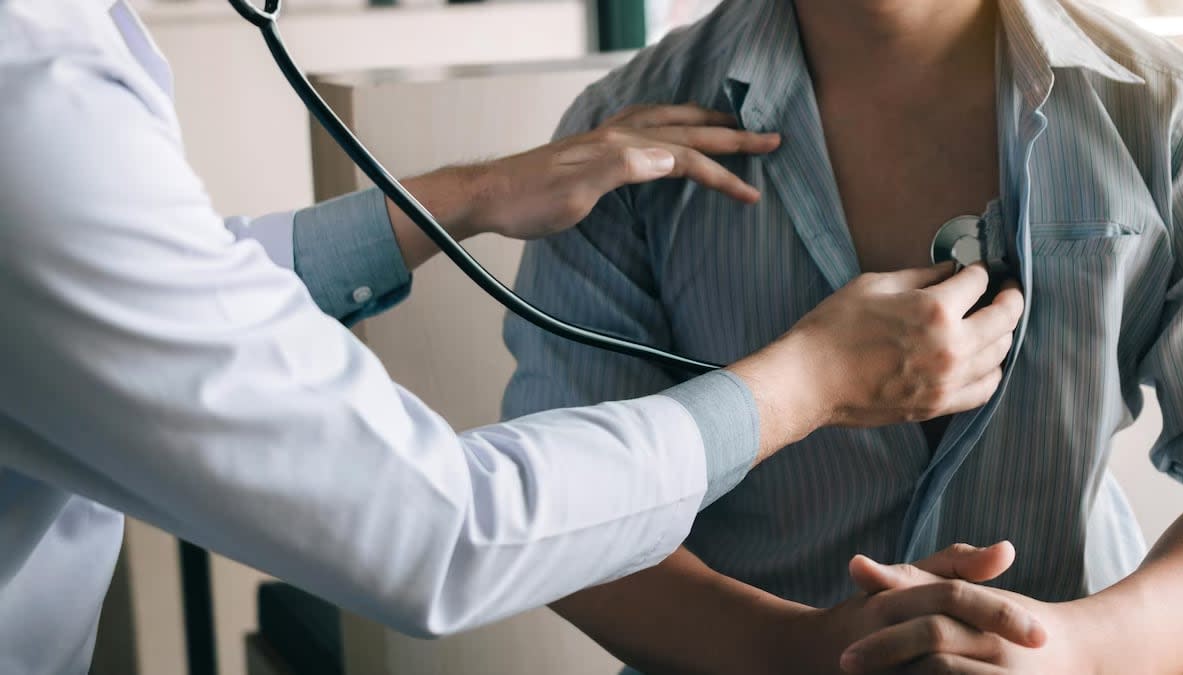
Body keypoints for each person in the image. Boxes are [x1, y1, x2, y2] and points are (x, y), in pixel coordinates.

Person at [0, 1, 1031, 673]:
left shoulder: (1157, 111)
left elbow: (153, 300)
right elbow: (443, 532)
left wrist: (470, 198)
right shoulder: (29, 98)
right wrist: (805, 383)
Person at [502, 0, 1183, 672]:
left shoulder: (1167, 115)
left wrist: (1087, 651)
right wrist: (792, 651)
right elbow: (565, 520)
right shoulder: (618, 139)